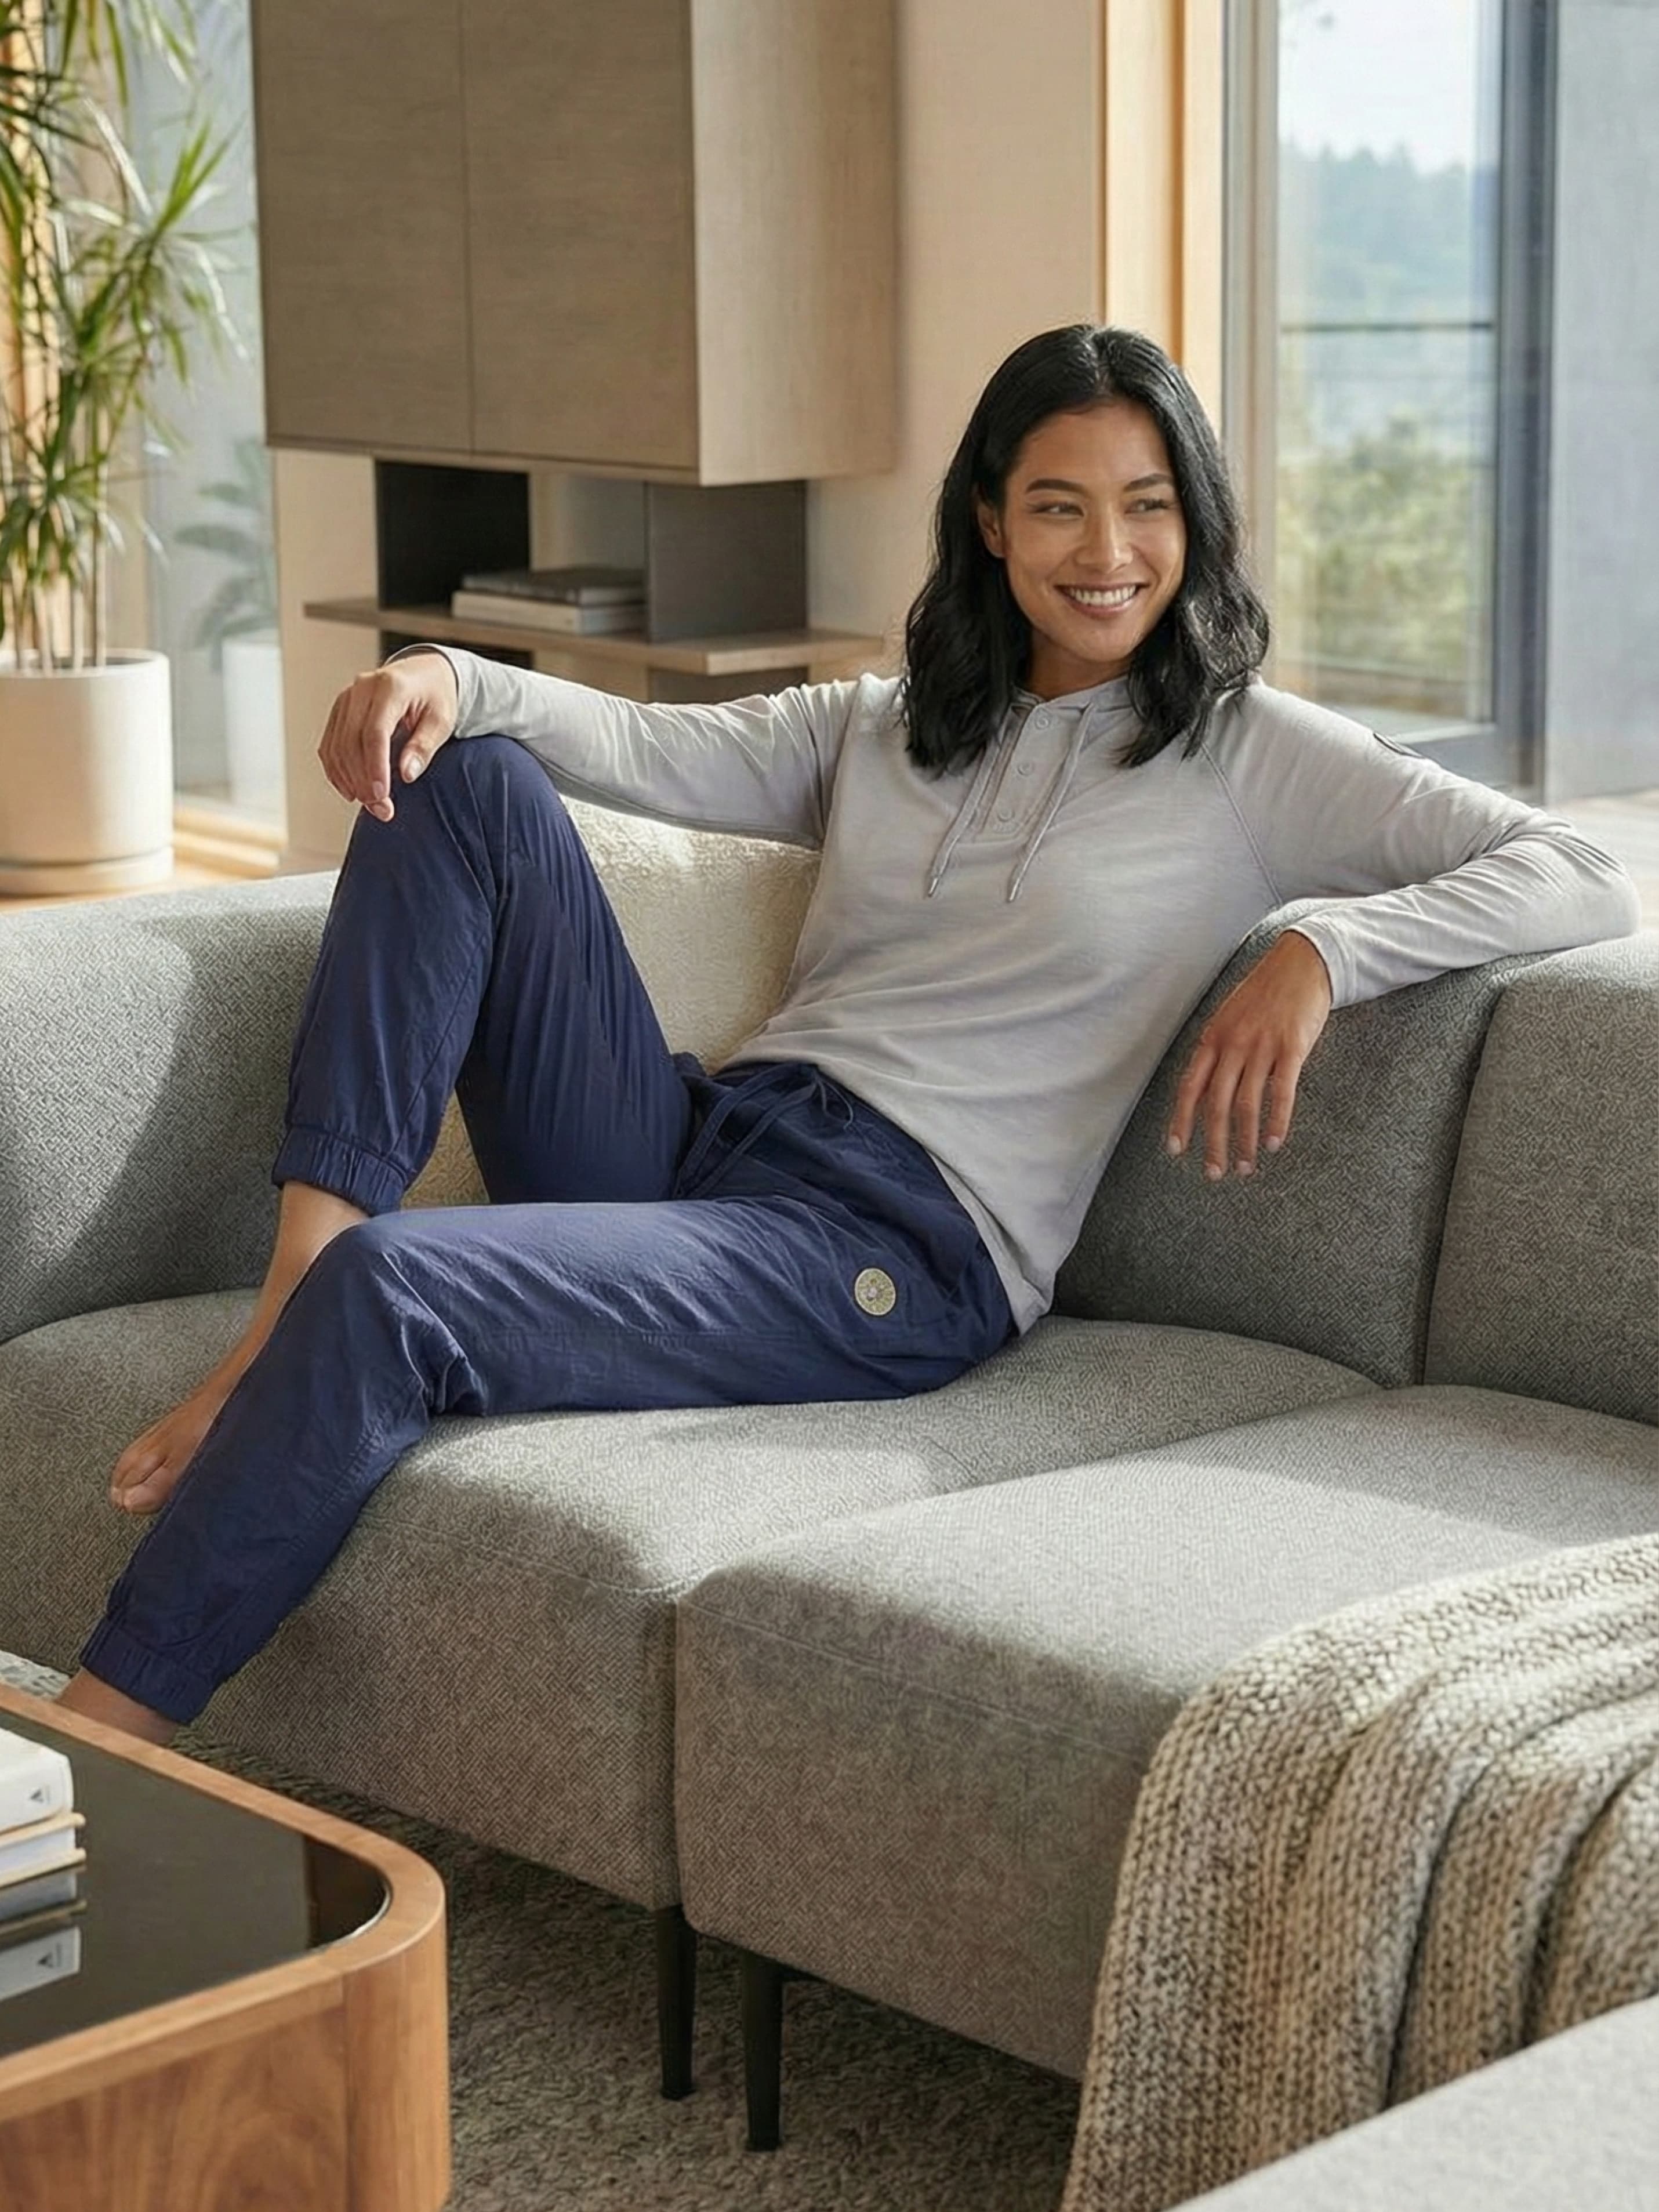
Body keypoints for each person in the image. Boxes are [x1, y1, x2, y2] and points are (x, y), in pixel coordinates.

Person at [56, 323, 1638, 1744]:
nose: (1108, 552)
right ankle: (294, 1285)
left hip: (889, 1247)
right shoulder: (890, 723)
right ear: (991, 521)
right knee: (465, 774)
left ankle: (98, 1757)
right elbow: (635, 748)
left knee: (399, 1288)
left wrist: (1322, 947)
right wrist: (444, 673)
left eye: (1148, 505)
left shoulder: (1248, 755)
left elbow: (1575, 867)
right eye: (1061, 505)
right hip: (706, 1149)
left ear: (1196, 521)